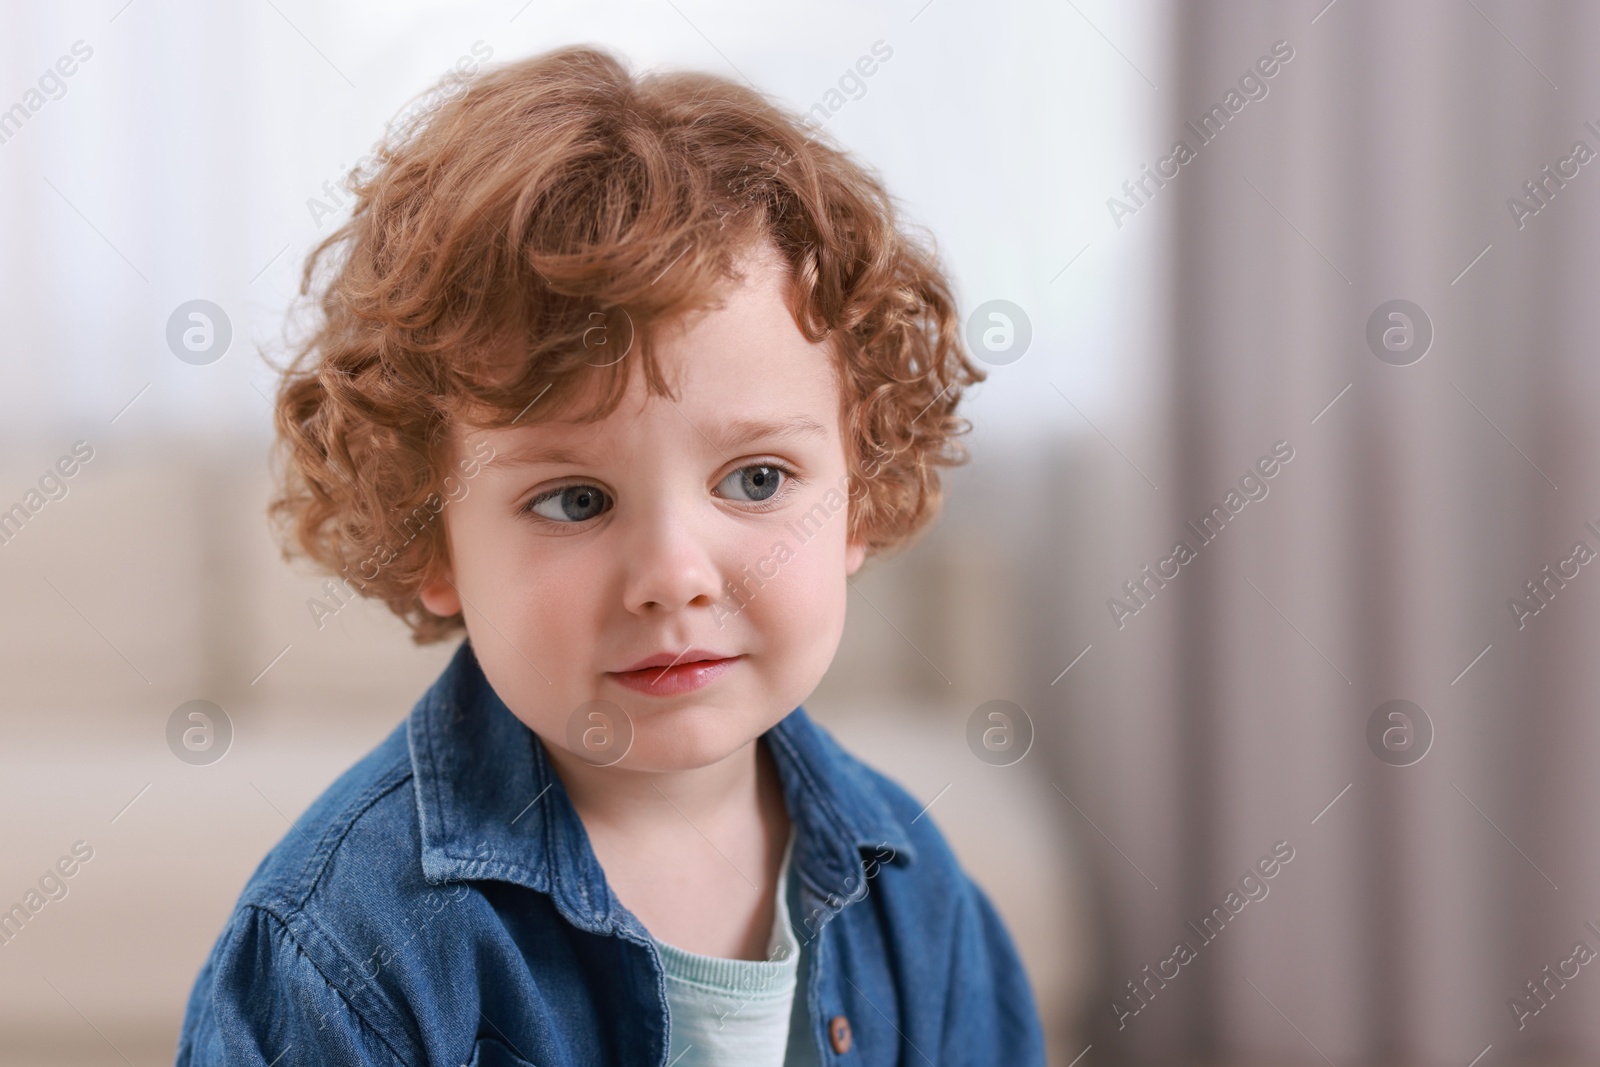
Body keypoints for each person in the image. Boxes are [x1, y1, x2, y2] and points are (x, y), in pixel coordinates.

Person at [176, 43, 1045, 1066]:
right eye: (575, 498)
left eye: (756, 479)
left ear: (861, 488)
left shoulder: (914, 892)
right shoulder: (342, 950)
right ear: (431, 533)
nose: (675, 573)